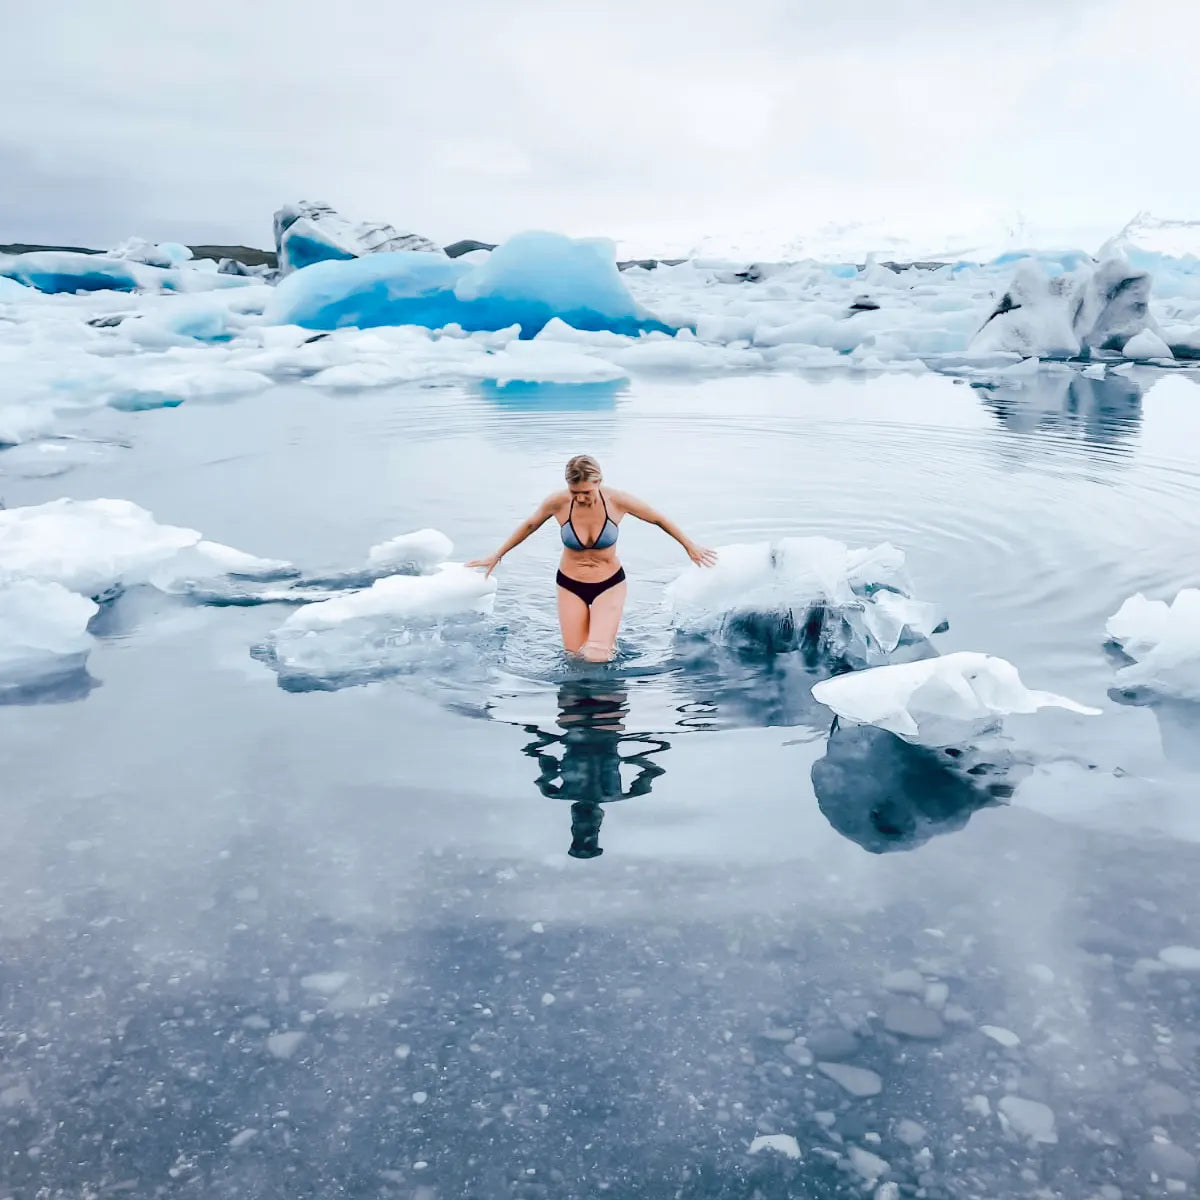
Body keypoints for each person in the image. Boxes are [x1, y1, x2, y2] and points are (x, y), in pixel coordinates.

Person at [467, 453, 716, 661]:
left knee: (596, 656)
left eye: (586, 491)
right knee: (575, 657)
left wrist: (690, 547)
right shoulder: (558, 502)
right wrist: (497, 555)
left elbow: (658, 518)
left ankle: (606, 651)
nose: (581, 497)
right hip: (569, 584)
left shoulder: (618, 500)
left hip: (608, 583)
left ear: (599, 481)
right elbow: (530, 525)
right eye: (575, 492)